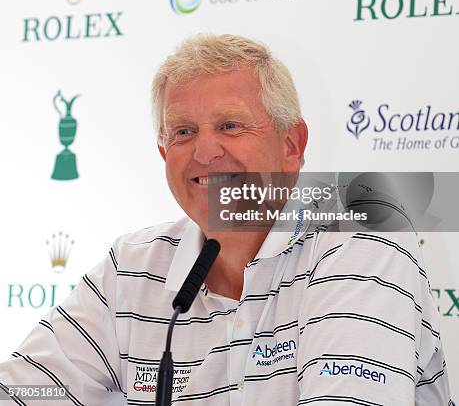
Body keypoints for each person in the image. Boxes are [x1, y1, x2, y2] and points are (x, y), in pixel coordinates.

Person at [0, 34, 452, 405]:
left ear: (292, 145)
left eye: (230, 126)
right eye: (183, 132)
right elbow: (25, 390)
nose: (204, 152)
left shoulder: (360, 241)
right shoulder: (133, 267)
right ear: (163, 152)